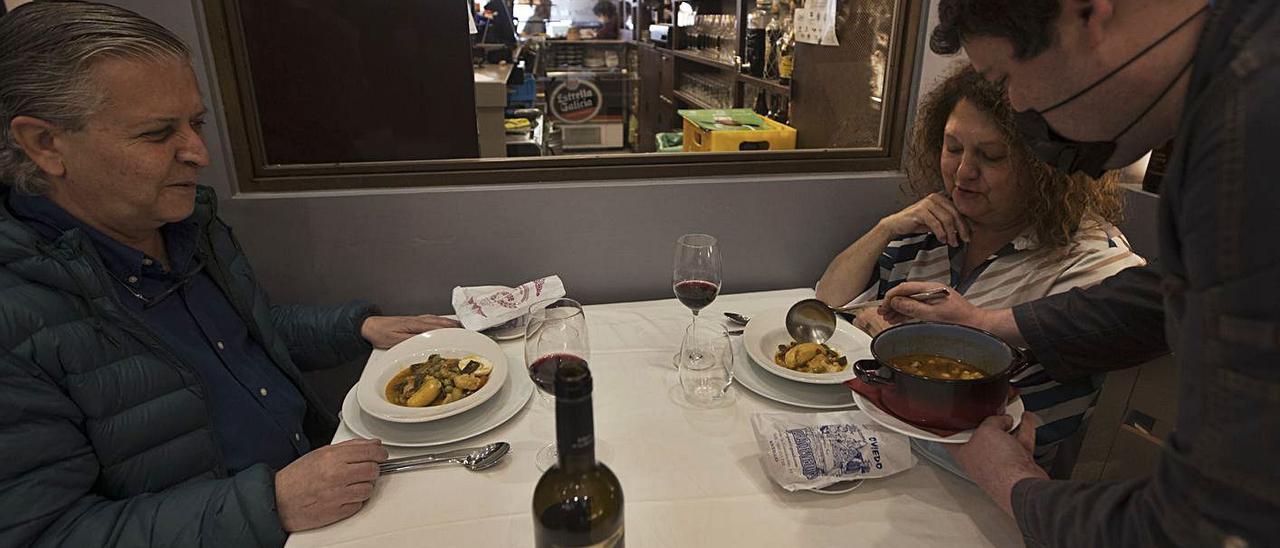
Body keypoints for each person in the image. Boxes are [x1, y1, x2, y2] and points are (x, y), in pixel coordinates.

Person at [0, 3, 459, 546]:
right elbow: (46, 533)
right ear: (45, 144)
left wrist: (355, 328)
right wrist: (270, 503)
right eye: (156, 134)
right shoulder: (18, 317)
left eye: (195, 124)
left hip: (320, 488)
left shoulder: (184, 225)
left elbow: (241, 335)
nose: (199, 155)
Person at [873, 0, 1279, 545]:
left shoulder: (1251, 138)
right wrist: (989, 322)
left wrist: (1010, 479)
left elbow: (1209, 523)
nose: (1015, 103)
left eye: (1007, 77)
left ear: (1090, 13)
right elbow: (1161, 294)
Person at [817, 64, 1143, 474]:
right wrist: (886, 229)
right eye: (953, 148)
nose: (962, 172)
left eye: (990, 156)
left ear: (1046, 168)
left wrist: (889, 334)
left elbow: (1064, 416)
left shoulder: (1093, 262)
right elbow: (826, 304)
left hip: (989, 477)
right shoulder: (933, 226)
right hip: (892, 444)